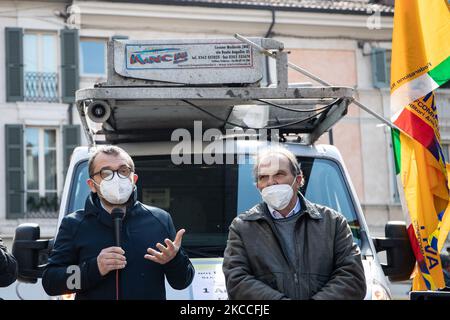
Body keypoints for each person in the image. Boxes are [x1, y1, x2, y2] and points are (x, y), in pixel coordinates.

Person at [42, 146, 194, 299]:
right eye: (106, 173)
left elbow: (182, 282)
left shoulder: (159, 219)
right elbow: (51, 282)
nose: (116, 178)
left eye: (123, 171)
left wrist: (174, 260)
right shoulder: (73, 224)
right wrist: (94, 268)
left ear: (133, 179)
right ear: (92, 185)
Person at [223, 146, 366, 300]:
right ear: (258, 186)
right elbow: (236, 280)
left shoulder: (333, 223)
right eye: (263, 177)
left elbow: (352, 278)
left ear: (298, 180)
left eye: (279, 174)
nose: (271, 182)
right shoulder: (243, 227)